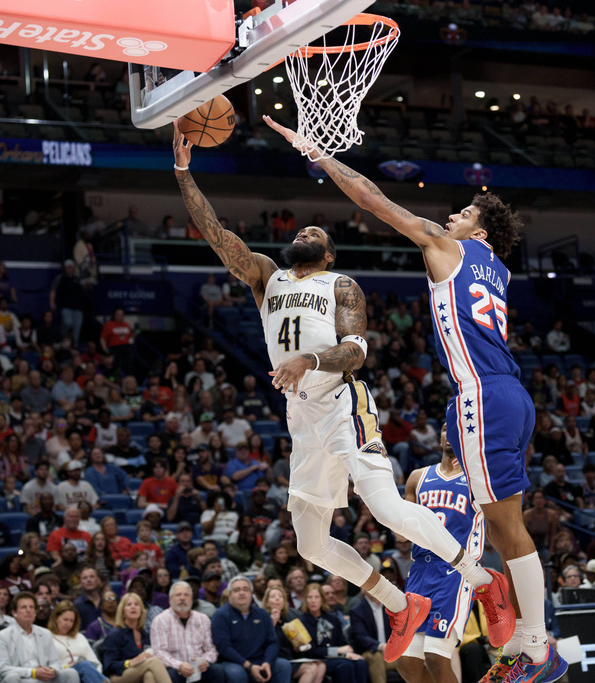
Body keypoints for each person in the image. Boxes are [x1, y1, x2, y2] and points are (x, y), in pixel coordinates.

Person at [174, 127, 511, 664]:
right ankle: (399, 604)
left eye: (317, 230)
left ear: (328, 254)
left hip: (342, 402)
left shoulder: (340, 285)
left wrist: (309, 359)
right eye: (302, 226)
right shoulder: (266, 275)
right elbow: (216, 234)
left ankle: (482, 578)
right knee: (309, 544)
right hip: (301, 416)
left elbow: (356, 351)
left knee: (383, 507)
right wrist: (184, 173)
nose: (307, 229)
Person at [262, 115, 560, 678]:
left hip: (482, 395)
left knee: (506, 526)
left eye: (465, 214)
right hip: (512, 394)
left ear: (479, 233)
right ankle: (524, 631)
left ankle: (534, 640)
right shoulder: (496, 269)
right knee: (501, 524)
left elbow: (375, 200)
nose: (452, 215)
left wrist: (321, 156)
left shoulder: (452, 248)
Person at [396, 425, 482, 683]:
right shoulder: (417, 477)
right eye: (446, 428)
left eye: (456, 428)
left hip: (454, 571)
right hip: (420, 570)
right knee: (406, 663)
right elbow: (402, 536)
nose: (450, 433)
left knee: (435, 656)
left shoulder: (477, 479)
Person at [210, 576, 290, 683]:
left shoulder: (263, 614)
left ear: (251, 594)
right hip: (234, 662)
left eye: (245, 589)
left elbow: (272, 642)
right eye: (237, 590)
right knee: (236, 673)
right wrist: (249, 666)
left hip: (260, 660)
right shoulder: (220, 615)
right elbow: (224, 647)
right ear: (230, 595)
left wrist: (267, 663)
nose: (242, 593)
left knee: (283, 665)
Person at [0, 592, 80, 683]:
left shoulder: (45, 633)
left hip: (43, 679)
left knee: (71, 673)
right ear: (14, 613)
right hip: (21, 678)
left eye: (31, 607)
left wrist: (52, 670)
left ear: (35, 612)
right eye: (24, 607)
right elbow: (2, 668)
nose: (28, 610)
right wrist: (33, 672)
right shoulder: (3, 636)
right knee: (12, 677)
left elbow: (56, 662)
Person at [149, 581, 222, 683]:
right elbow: (159, 652)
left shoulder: (203, 619)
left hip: (199, 669)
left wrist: (206, 661)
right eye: (178, 595)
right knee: (170, 675)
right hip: (174, 669)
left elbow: (211, 649)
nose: (182, 598)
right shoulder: (160, 620)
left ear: (191, 600)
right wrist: (179, 665)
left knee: (217, 670)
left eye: (186, 595)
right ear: (170, 600)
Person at [100, 593, 171, 683]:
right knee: (153, 662)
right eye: (129, 605)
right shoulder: (115, 634)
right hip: (119, 676)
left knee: (149, 674)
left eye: (136, 604)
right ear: (122, 612)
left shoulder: (145, 634)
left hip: (140, 671)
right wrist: (129, 663)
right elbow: (108, 666)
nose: (133, 607)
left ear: (141, 611)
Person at [46, 601, 107, 683]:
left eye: (71, 621)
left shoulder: (80, 637)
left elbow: (96, 663)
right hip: (62, 675)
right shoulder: (47, 636)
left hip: (86, 675)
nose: (68, 624)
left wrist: (94, 674)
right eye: (65, 620)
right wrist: (68, 666)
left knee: (86, 666)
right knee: (81, 667)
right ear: (56, 618)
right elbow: (47, 666)